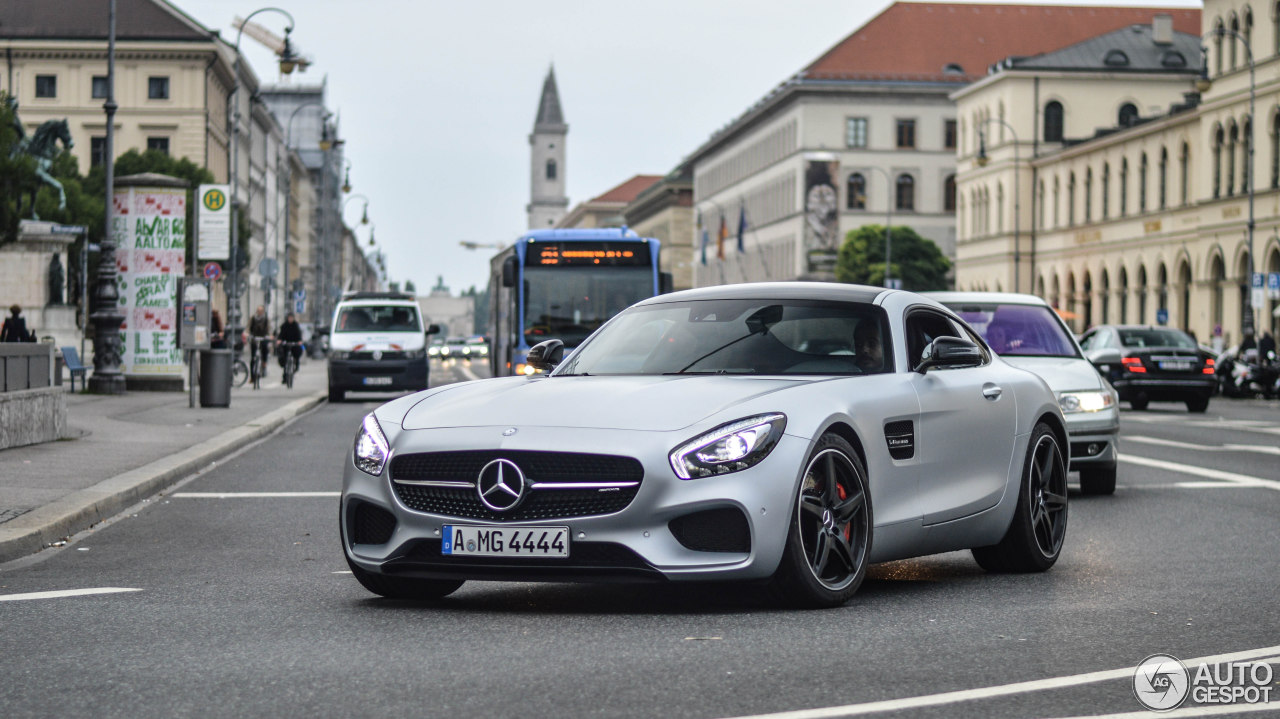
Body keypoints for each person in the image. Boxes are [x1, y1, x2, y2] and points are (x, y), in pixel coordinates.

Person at [276, 312, 304, 378]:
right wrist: (279, 340)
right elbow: (281, 334)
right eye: (289, 318)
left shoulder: (296, 325)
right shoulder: (284, 325)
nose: (290, 319)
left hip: (294, 343)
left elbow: (299, 334)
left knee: (297, 352)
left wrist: (299, 341)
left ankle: (296, 365)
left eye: (291, 318)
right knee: (283, 356)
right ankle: (285, 374)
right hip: (286, 343)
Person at [247, 305, 272, 370]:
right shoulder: (253, 318)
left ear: (263, 312)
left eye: (261, 311)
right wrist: (247, 333)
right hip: (254, 338)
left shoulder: (266, 319)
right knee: (253, 357)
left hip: (263, 337)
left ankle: (264, 362)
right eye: (258, 311)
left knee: (265, 349)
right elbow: (248, 327)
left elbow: (269, 328)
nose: (259, 312)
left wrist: (270, 335)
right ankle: (252, 376)